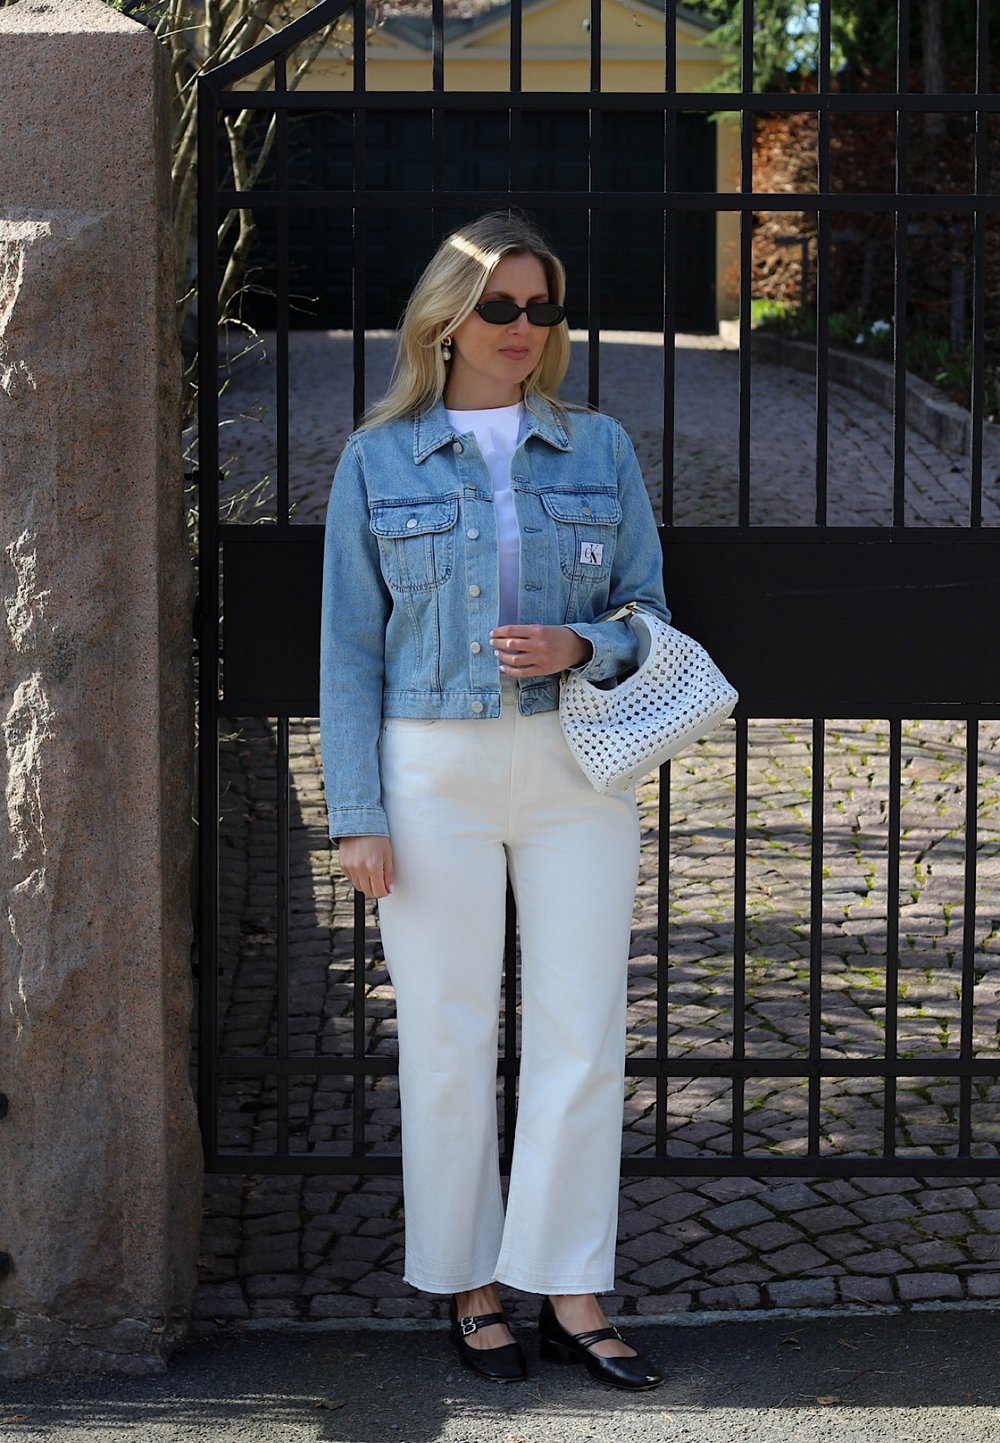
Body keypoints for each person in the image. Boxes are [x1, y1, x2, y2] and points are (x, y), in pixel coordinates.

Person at [320, 211, 669, 1390]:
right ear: (446, 318)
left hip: (575, 771)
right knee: (446, 1032)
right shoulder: (378, 459)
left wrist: (583, 643)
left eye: (541, 308)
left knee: (581, 1032)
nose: (523, 327)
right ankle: (469, 1283)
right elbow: (347, 650)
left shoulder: (598, 447)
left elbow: (646, 612)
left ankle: (570, 1287)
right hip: (433, 774)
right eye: (500, 307)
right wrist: (357, 814)